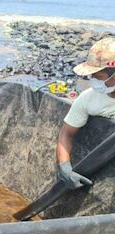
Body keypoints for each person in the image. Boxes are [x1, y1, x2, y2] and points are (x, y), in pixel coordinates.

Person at [56, 37, 115, 189]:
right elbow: (66, 133)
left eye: (99, 77)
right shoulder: (88, 98)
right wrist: (65, 167)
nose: (94, 82)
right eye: (92, 77)